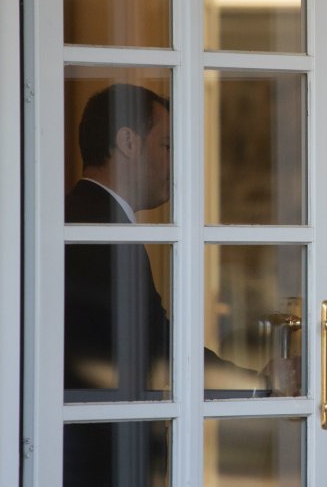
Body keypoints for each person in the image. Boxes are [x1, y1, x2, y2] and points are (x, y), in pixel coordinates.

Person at [63, 83, 278, 485]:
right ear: (128, 142)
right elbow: (155, 346)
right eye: (167, 146)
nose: (174, 163)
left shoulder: (79, 216)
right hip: (95, 461)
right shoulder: (104, 232)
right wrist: (258, 384)